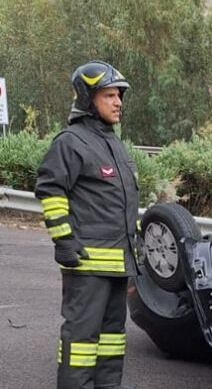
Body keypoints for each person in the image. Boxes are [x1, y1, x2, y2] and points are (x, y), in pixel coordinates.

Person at [35, 61, 139, 389]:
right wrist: (64, 241)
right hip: (87, 266)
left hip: (117, 266)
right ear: (87, 99)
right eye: (109, 95)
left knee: (112, 344)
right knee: (80, 345)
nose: (118, 102)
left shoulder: (114, 144)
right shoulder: (71, 142)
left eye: (119, 95)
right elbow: (50, 190)